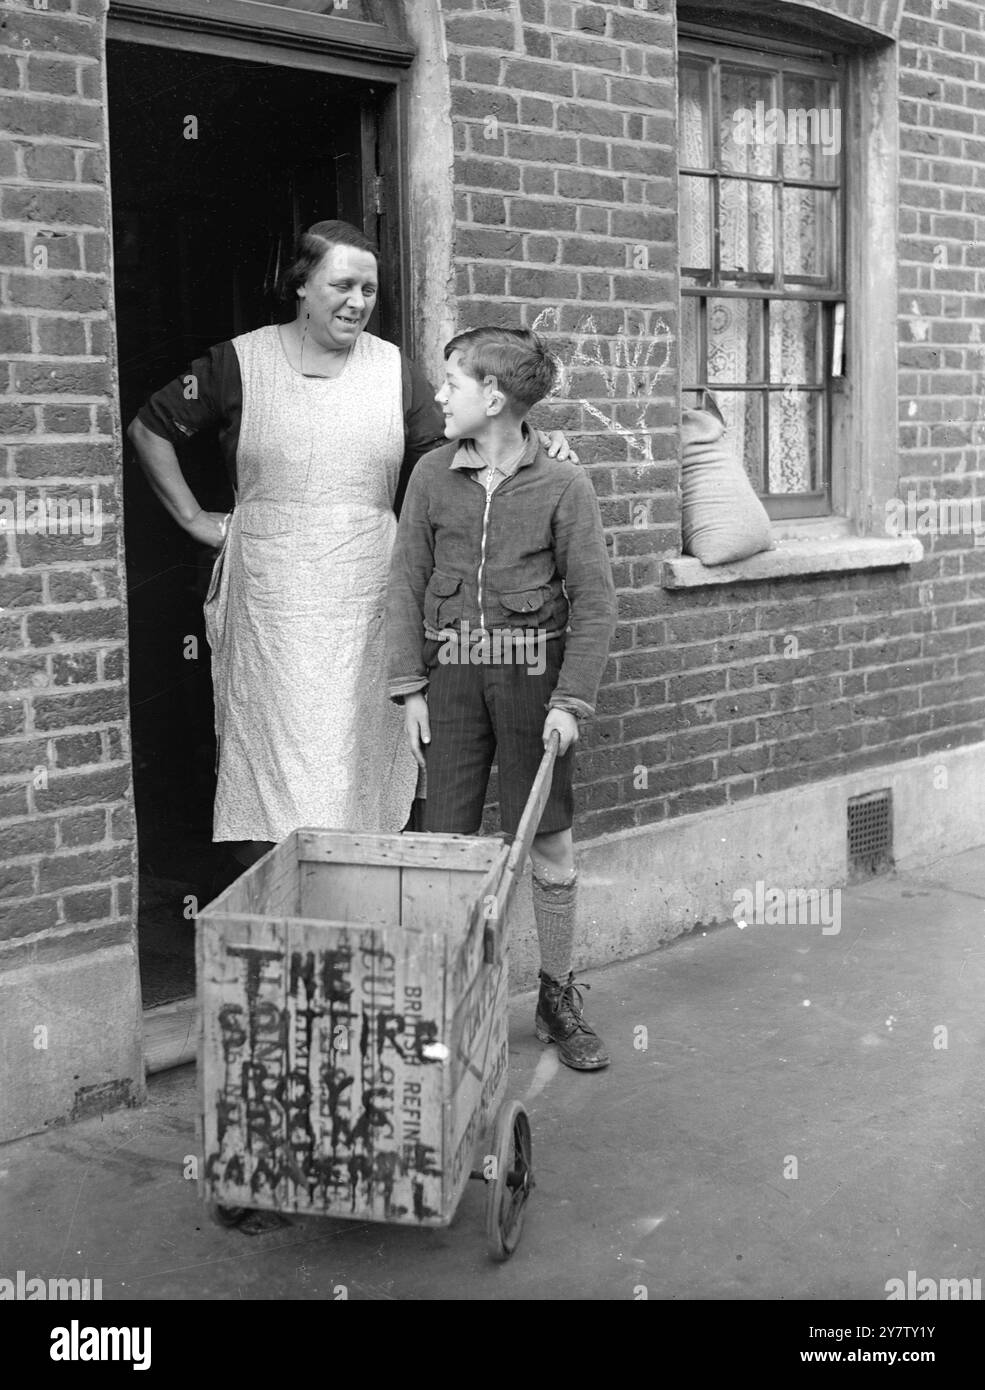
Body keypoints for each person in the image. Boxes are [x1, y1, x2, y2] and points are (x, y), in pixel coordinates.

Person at [127, 221, 575, 863]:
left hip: (366, 593)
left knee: (357, 752)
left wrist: (536, 445)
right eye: (341, 284)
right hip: (269, 602)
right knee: (272, 755)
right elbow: (151, 429)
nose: (357, 301)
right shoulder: (236, 362)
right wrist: (197, 518)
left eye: (368, 288)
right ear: (302, 286)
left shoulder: (392, 369)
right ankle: (280, 902)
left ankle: (356, 891)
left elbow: (459, 448)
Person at [386, 327, 618, 1071]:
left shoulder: (563, 486)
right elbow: (403, 581)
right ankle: (447, 1001)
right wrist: (408, 686)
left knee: (546, 836)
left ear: (493, 397)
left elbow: (596, 602)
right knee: (445, 844)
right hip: (450, 679)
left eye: (451, 383)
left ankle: (555, 993)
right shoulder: (429, 474)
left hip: (532, 681)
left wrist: (568, 701)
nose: (440, 396)